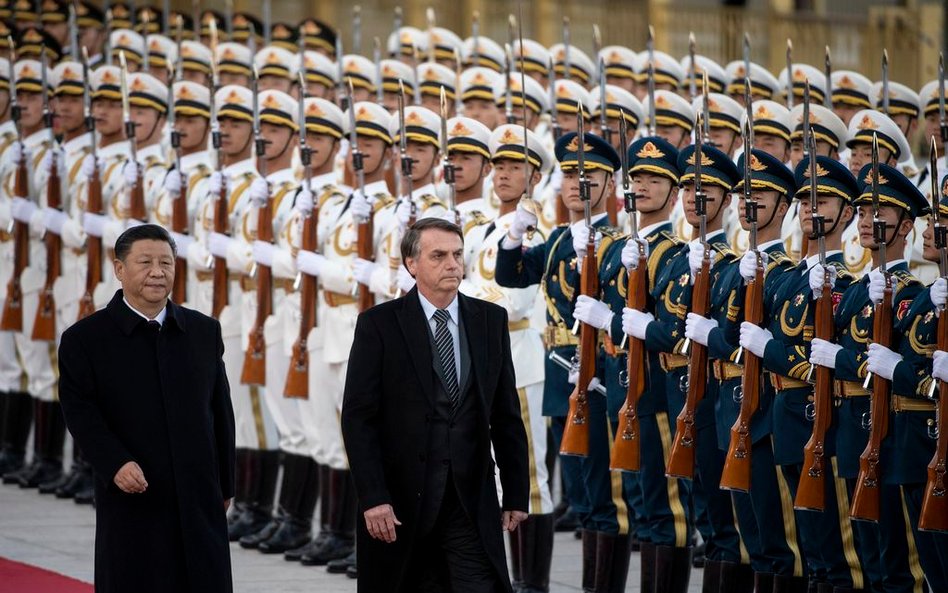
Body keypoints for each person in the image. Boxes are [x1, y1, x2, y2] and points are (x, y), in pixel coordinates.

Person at [341, 217, 529, 592]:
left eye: (457, 255)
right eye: (439, 256)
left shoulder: (490, 320)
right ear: (412, 264)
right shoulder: (378, 325)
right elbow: (359, 419)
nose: (452, 265)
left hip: (470, 500)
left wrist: (515, 491)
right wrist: (373, 498)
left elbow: (505, 413)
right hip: (402, 503)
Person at [57, 224, 236, 593]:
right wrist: (114, 463)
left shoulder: (203, 332)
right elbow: (81, 412)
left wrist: (226, 482)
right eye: (145, 262)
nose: (158, 272)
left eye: (166, 262)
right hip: (134, 491)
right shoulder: (86, 339)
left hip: (198, 493)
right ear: (120, 269)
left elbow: (220, 411)